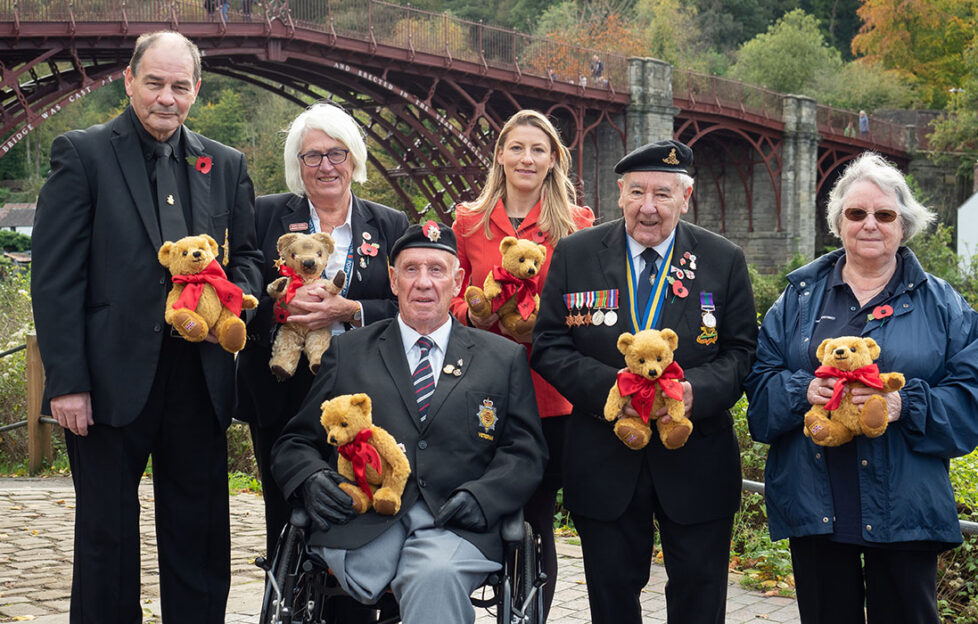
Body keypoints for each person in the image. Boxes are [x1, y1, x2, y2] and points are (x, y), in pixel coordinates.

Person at [31, 31, 262, 623]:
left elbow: (250, 261)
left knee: (200, 534)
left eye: (180, 86)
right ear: (129, 81)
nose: (167, 97)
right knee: (106, 539)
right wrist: (66, 383)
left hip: (199, 379)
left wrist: (236, 307)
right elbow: (56, 280)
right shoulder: (81, 153)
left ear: (197, 90)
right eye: (155, 83)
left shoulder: (226, 164)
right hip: (108, 384)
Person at [271, 222, 546, 624]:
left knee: (433, 575)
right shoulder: (349, 351)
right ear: (393, 279)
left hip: (454, 523)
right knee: (406, 573)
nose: (423, 283)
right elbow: (296, 440)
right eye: (411, 269)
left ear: (458, 281)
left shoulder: (502, 358)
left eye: (436, 270)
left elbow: (525, 451)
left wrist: (483, 497)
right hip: (364, 521)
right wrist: (310, 476)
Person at [744, 152, 978, 624]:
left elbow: (971, 398)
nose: (869, 224)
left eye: (884, 214)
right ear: (838, 222)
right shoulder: (798, 299)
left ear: (903, 225)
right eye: (856, 213)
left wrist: (902, 403)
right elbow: (758, 391)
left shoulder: (944, 305)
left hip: (908, 509)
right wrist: (800, 391)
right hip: (815, 507)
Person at [531, 139, 758, 624]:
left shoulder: (723, 259)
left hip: (696, 458)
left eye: (662, 194)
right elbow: (549, 345)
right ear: (619, 194)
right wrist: (611, 393)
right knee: (611, 601)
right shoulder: (576, 254)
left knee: (700, 597)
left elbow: (743, 354)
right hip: (604, 455)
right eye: (637, 193)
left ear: (685, 197)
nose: (648, 208)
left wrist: (691, 393)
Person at [235, 102, 408, 559]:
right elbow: (245, 285)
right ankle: (287, 592)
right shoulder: (264, 214)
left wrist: (351, 309)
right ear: (298, 164)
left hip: (362, 392)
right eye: (313, 156)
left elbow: (407, 304)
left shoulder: (389, 225)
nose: (326, 165)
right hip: (280, 386)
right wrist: (280, 303)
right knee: (285, 508)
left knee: (357, 503)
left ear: (354, 159)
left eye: (337, 153)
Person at [450, 109, 593, 620]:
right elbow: (450, 295)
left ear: (554, 160)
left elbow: (587, 304)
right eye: (517, 148)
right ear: (500, 155)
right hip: (480, 385)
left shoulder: (577, 225)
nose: (526, 158)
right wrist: (475, 311)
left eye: (538, 149)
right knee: (478, 502)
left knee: (535, 519)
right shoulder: (468, 220)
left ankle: (526, 613)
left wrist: (543, 322)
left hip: (550, 391)